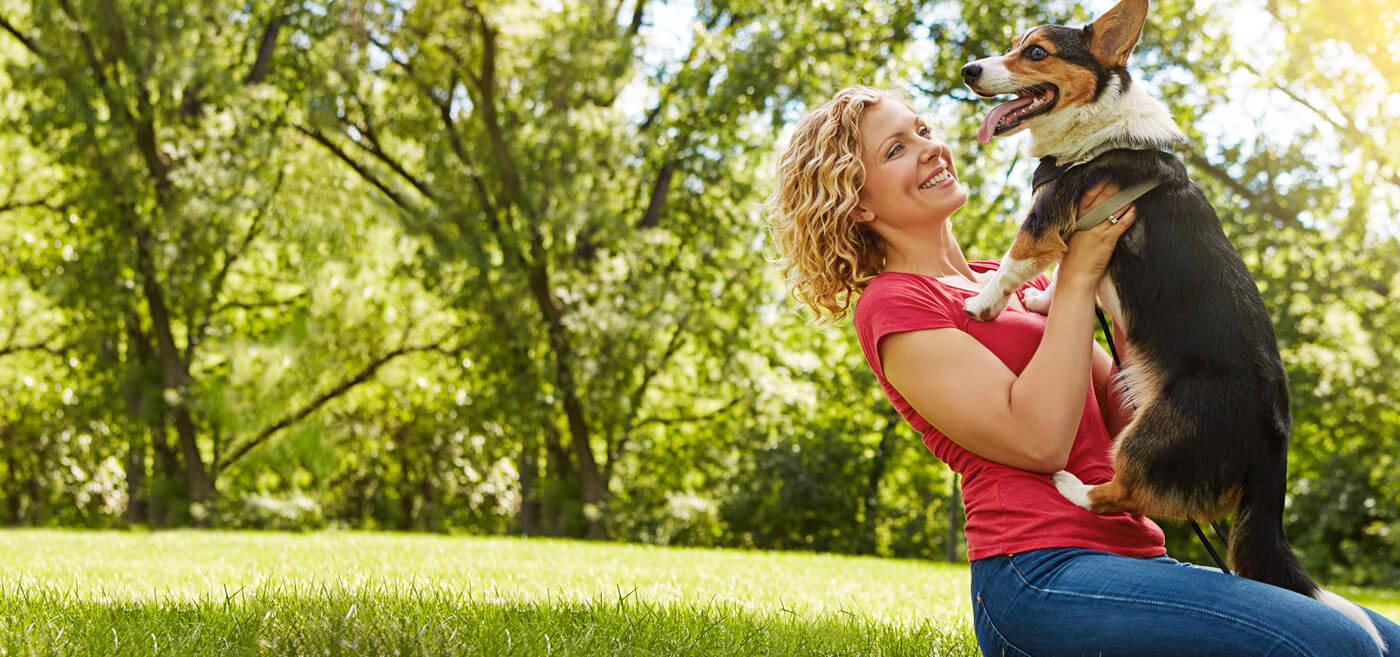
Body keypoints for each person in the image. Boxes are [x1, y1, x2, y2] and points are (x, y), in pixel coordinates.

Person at [767, 85, 1399, 657]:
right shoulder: (897, 304)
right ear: (857, 205)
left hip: (1135, 558)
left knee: (1387, 640)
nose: (932, 149)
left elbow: (1127, 411)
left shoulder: (1002, 282)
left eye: (925, 130)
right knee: (1336, 645)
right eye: (898, 149)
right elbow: (1039, 440)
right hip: (1037, 574)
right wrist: (1078, 272)